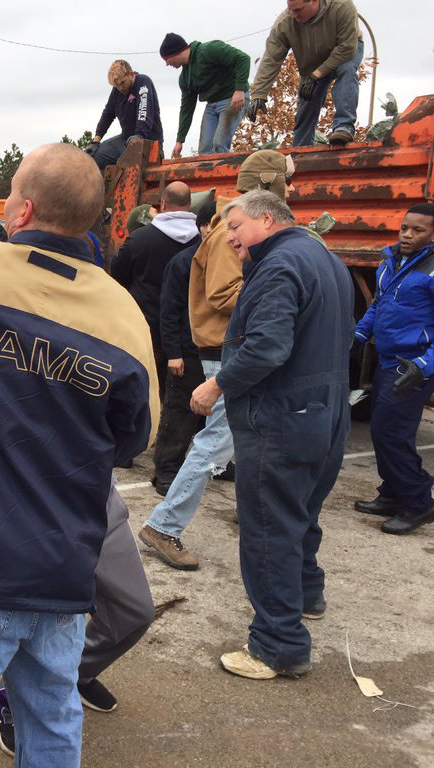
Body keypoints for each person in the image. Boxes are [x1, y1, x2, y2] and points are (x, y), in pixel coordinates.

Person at [0, 143, 156, 767]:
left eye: (10, 191)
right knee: (52, 716)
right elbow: (134, 439)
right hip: (61, 562)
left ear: (24, 208)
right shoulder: (123, 315)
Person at [191, 189, 353, 679]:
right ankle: (307, 593)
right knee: (300, 510)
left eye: (235, 227)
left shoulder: (280, 266)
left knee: (268, 526)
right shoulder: (325, 258)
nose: (230, 238)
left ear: (266, 218)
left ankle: (277, 645)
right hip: (324, 412)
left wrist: (216, 384)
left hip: (283, 416)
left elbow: (266, 348)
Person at [139, 150, 295, 570]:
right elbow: (222, 294)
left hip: (233, 349)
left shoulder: (238, 226)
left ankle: (252, 513)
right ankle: (164, 526)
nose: (291, 190)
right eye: (286, 181)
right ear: (269, 184)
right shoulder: (233, 231)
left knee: (246, 438)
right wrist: (281, 293)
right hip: (225, 352)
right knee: (212, 445)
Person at [0, 481, 155, 757]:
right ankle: (12, 698)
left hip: (94, 489)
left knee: (135, 611)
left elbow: (135, 442)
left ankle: (78, 672)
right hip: (23, 491)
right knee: (37, 615)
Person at [353, 203, 434, 534]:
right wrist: (357, 335)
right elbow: (378, 305)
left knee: (391, 434)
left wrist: (424, 365)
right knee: (381, 430)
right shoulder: (389, 263)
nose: (407, 234)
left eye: (418, 230)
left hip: (413, 366)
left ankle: (418, 502)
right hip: (387, 360)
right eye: (404, 228)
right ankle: (392, 493)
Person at [112, 181, 200, 399]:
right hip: (190, 337)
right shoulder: (203, 241)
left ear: (162, 203)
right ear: (189, 204)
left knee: (144, 394)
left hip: (146, 331)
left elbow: (117, 277)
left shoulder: (140, 239)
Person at [153, 201, 216, 495]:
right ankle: (166, 472)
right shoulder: (184, 262)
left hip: (216, 354)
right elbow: (169, 310)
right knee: (179, 415)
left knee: (213, 417)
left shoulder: (233, 262)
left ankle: (215, 466)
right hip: (187, 355)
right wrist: (174, 354)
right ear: (202, 227)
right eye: (213, 224)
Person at [247, 0, 364, 147]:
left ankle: (344, 127)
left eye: (298, 10)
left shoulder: (342, 6)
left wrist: (317, 74)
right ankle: (301, 149)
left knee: (347, 71)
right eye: (291, 10)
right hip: (313, 59)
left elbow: (347, 48)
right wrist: (258, 93)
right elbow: (271, 58)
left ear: (314, 1)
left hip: (344, 51)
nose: (294, 15)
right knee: (307, 99)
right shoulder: (285, 23)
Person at [159, 33, 250, 157]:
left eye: (166, 60)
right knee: (204, 150)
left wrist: (239, 90)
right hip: (212, 105)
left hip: (232, 98)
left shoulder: (209, 50)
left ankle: (223, 175)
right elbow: (186, 109)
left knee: (219, 144)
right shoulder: (185, 78)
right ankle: (209, 175)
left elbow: (243, 58)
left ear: (174, 53)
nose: (167, 64)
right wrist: (180, 140)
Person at [86, 60, 164, 170]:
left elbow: (144, 110)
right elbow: (107, 115)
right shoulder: (117, 91)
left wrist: (139, 135)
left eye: (123, 83)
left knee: (133, 164)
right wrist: (95, 142)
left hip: (147, 143)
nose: (120, 88)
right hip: (125, 141)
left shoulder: (143, 82)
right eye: (117, 85)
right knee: (92, 157)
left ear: (131, 75)